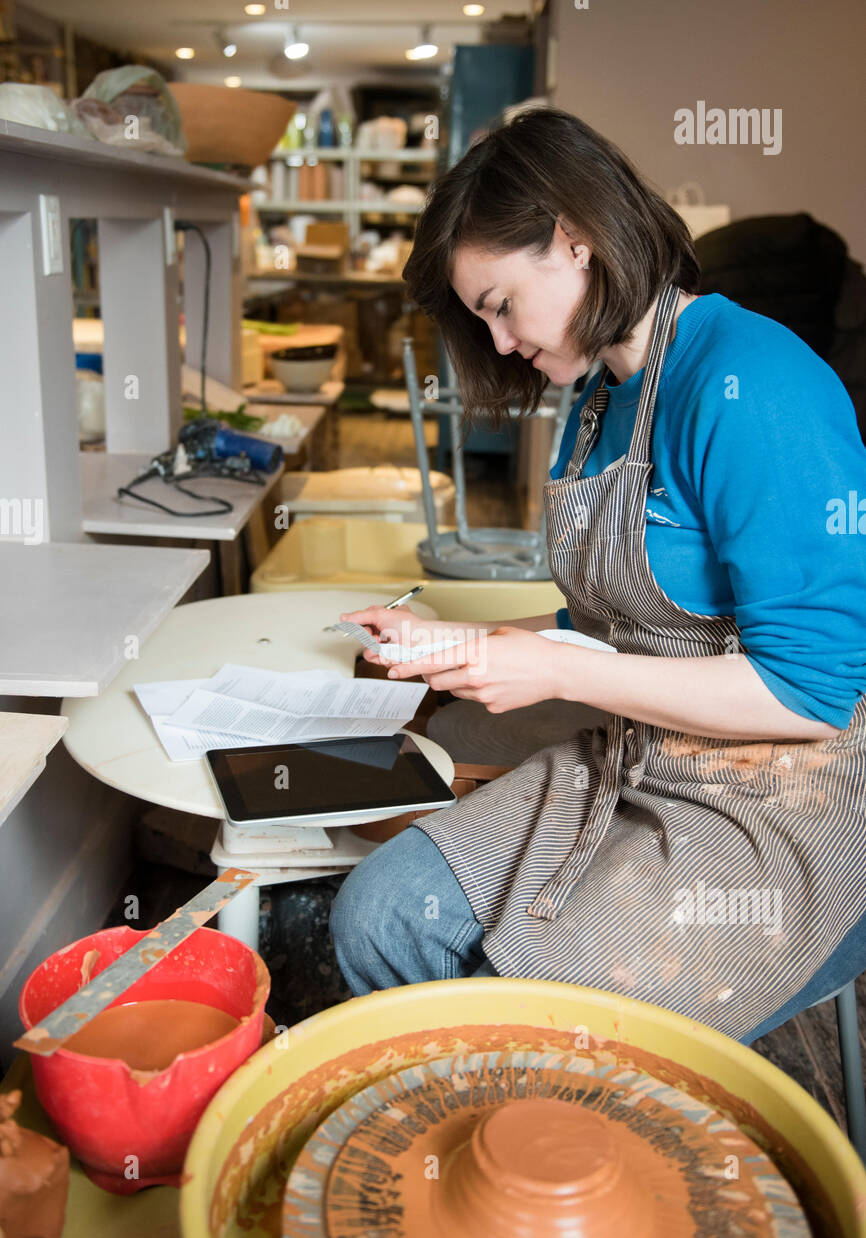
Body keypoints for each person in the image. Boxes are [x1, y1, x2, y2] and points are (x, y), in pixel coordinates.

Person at [328, 108, 866, 1044]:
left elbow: (813, 693)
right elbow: (625, 622)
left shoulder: (755, 387)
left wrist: (560, 670)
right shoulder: (604, 399)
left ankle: (539, 1163)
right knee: (378, 917)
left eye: (498, 304)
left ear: (574, 242)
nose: (496, 343)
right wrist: (465, 644)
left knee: (523, 1015)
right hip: (639, 752)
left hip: (785, 804)